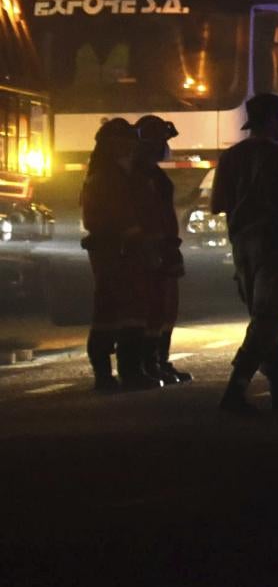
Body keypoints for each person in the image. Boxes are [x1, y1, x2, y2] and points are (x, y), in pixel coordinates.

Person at [209, 93, 278, 417]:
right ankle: (235, 390)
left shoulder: (229, 157)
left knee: (264, 316)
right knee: (269, 318)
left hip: (242, 245)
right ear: (271, 120)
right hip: (274, 242)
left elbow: (217, 204)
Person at [78, 118, 150, 392]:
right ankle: (112, 375)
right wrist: (135, 236)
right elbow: (112, 215)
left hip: (120, 250)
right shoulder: (107, 178)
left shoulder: (118, 174)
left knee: (125, 311)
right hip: (115, 250)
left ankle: (124, 372)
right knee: (112, 312)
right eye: (125, 141)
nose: (131, 146)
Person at [131, 116, 190, 384]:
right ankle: (149, 363)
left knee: (167, 307)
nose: (165, 146)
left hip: (165, 245)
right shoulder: (140, 174)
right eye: (162, 141)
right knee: (153, 307)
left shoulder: (151, 173)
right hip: (152, 248)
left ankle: (159, 361)